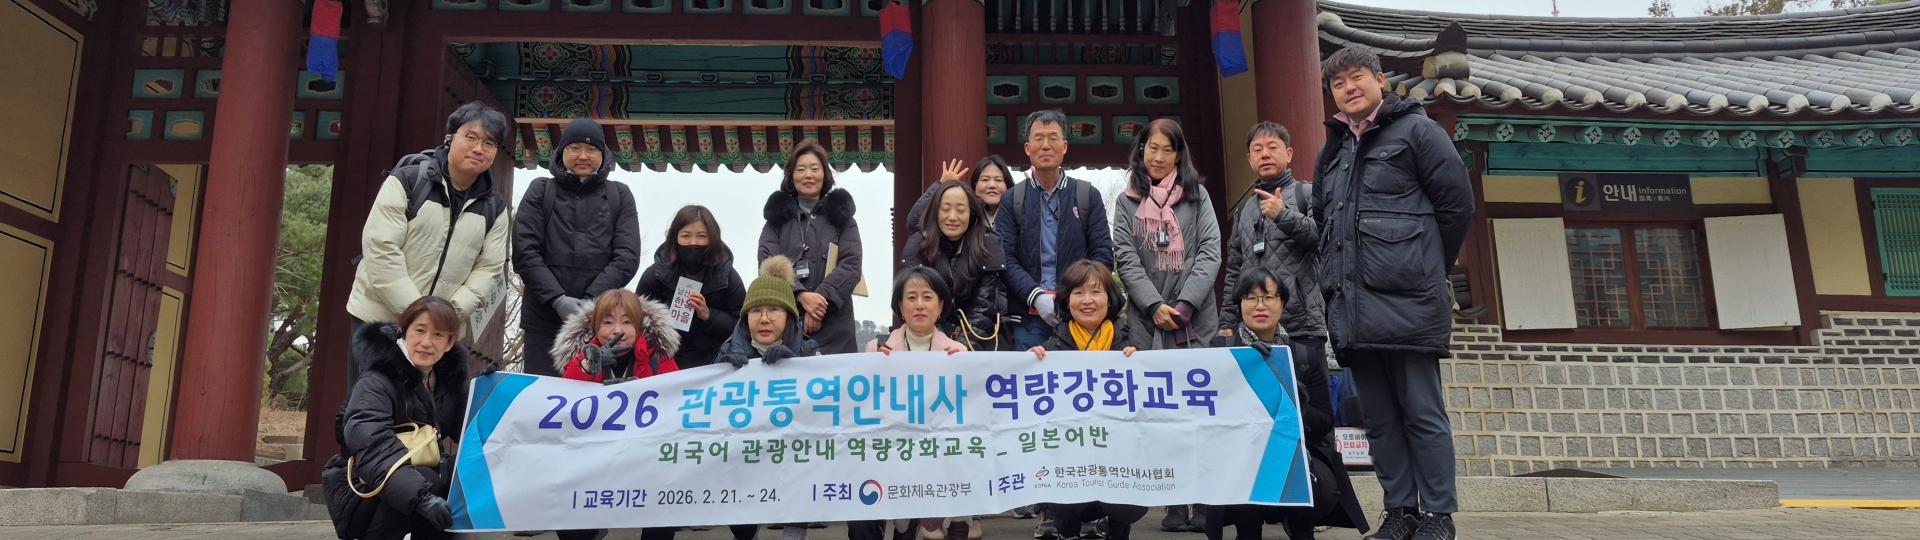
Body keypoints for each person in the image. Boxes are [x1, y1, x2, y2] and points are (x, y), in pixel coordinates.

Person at [1312, 47, 1475, 540]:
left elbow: (1457, 205)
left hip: (1409, 302)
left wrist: (1426, 267)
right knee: (1380, 420)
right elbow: (1324, 222)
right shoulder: (1333, 150)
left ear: (1380, 80)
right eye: (1338, 84)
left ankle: (1438, 515)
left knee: (1422, 413)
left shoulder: (1418, 131)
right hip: (1354, 308)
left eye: (1357, 77)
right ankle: (1401, 511)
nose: (1349, 88)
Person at [346, 101, 511, 385]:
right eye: (470, 137)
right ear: (449, 139)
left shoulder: (494, 208)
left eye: (489, 143)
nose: (478, 148)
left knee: (423, 408)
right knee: (369, 403)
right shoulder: (408, 181)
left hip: (439, 330)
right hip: (380, 320)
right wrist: (418, 313)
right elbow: (381, 247)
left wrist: (447, 314)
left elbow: (489, 268)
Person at [1204, 268, 1368, 540]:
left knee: (1318, 487)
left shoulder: (1303, 355)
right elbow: (1208, 409)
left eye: (1269, 297)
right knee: (1248, 477)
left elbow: (1325, 421)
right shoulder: (1222, 349)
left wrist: (1299, 406)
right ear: (1240, 304)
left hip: (1294, 451)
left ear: (1282, 303)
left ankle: (1302, 530)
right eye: (1251, 298)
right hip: (1241, 453)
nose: (1260, 306)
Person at [715, 256, 841, 540]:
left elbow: (825, 412)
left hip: (795, 455)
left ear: (789, 316)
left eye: (774, 309)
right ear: (745, 317)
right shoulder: (727, 351)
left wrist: (796, 365)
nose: (764, 318)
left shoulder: (808, 351)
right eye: (756, 310)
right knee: (743, 529)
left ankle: (796, 527)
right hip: (746, 454)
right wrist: (722, 372)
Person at [1218, 120, 1328, 436]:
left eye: (1272, 147)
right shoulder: (1244, 210)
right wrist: (1227, 320)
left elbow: (1323, 239)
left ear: (1289, 153)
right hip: (1253, 331)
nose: (1265, 154)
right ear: (1249, 159)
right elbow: (1235, 269)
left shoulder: (1307, 193)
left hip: (1301, 325)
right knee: (1257, 415)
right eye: (1257, 149)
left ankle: (1317, 467)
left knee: (1310, 415)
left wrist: (1283, 215)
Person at [329, 296, 469, 540]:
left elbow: (471, 431)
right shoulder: (375, 380)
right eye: (420, 330)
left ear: (449, 343)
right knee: (428, 480)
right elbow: (372, 446)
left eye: (438, 335)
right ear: (403, 332)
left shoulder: (448, 381)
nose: (426, 342)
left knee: (459, 475)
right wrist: (421, 497)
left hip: (417, 483)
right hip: (362, 489)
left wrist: (487, 391)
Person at [1022, 260, 1142, 540]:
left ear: (1110, 299)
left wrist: (1140, 366)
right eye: (1078, 292)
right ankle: (1067, 532)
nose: (1087, 300)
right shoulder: (1050, 349)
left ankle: (1118, 532)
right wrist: (1027, 366)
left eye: (1096, 292)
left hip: (1116, 456)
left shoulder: (1131, 347)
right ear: (1067, 300)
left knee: (1127, 495)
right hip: (1069, 459)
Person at [513, 117, 643, 377]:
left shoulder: (619, 195)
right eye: (575, 148)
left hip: (600, 320)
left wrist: (590, 302)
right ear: (562, 152)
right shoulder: (541, 190)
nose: (583, 156)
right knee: (542, 394)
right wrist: (557, 299)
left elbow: (627, 256)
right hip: (543, 318)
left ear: (603, 155)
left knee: (593, 392)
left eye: (592, 149)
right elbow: (525, 252)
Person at [548, 289, 680, 540]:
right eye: (608, 322)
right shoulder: (582, 357)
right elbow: (567, 399)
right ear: (596, 327)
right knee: (569, 522)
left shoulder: (658, 358)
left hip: (645, 457)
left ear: (639, 327)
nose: (616, 330)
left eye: (627, 322)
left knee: (664, 517)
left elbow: (677, 397)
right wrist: (590, 366)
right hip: (592, 459)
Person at [864, 267, 975, 540]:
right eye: (911, 298)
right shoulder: (875, 349)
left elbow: (972, 413)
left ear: (940, 306)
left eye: (927, 297)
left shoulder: (959, 352)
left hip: (942, 453)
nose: (919, 305)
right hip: (897, 451)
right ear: (900, 307)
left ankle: (953, 523)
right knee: (904, 526)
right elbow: (864, 409)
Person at [998, 110, 1115, 358]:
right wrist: (1035, 296)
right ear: (1027, 148)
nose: (1046, 145)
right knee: (1032, 379)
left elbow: (1103, 254)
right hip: (1028, 318)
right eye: (1038, 138)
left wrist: (1076, 296)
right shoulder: (1012, 199)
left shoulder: (1087, 196)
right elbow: (1005, 258)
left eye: (1053, 138)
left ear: (1065, 147)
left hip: (1079, 316)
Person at [1110, 118, 1222, 352]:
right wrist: (1153, 305)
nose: (1159, 157)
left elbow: (1210, 252)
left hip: (1194, 318)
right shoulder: (1125, 202)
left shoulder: (1197, 195)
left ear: (1178, 155)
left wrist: (1186, 305)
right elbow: (1127, 260)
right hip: (1146, 319)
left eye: (1168, 150)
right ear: (1142, 149)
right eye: (1153, 148)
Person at [759, 140, 863, 355]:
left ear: (825, 175)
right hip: (788, 320)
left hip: (835, 324)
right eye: (801, 169)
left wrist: (819, 303)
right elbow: (767, 263)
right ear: (791, 176)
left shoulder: (843, 219)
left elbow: (851, 264)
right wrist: (800, 295)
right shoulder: (776, 221)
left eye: (815, 169)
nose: (808, 175)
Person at [900, 178, 1009, 350]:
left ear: (971, 213)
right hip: (928, 342)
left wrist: (961, 348)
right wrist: (941, 345)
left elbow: (984, 306)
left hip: (978, 340)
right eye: (945, 209)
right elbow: (918, 302)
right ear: (935, 212)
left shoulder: (988, 244)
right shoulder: (919, 246)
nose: (952, 217)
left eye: (960, 210)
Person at [637, 205, 746, 368]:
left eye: (701, 236)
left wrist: (709, 315)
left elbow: (742, 324)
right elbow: (637, 320)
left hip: (716, 360)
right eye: (686, 236)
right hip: (665, 362)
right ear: (674, 237)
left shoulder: (727, 275)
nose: (693, 243)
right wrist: (663, 321)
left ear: (712, 238)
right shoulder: (655, 275)